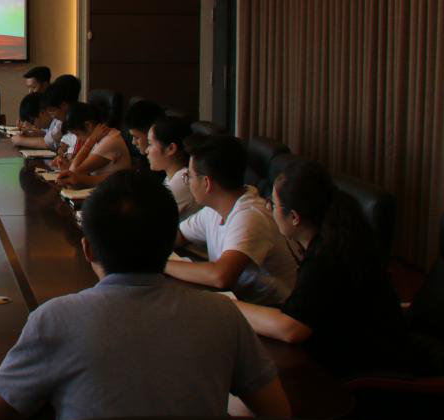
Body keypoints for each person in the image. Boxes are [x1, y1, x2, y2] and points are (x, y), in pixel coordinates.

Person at [0, 170, 290, 420]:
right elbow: (277, 414)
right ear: (169, 245)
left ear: (88, 250)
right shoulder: (223, 316)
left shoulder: (55, 318)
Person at [236, 159, 409, 375]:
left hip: (364, 374)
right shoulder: (339, 237)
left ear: (294, 217)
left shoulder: (325, 259)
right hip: (356, 350)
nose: (268, 208)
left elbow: (291, 328)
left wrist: (229, 306)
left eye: (272, 203)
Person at [166, 135, 298, 305]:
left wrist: (160, 263)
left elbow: (220, 276)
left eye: (189, 176)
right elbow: (179, 235)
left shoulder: (250, 216)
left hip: (276, 310)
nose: (188, 182)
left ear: (207, 183)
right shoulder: (214, 209)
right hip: (242, 303)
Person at [133, 114, 198, 219]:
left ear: (171, 148)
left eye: (150, 144)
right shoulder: (172, 177)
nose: (146, 150)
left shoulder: (182, 181)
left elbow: (147, 220)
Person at [56, 101, 131, 187]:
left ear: (88, 125)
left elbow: (74, 172)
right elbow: (75, 167)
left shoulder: (109, 140)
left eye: (77, 134)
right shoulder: (98, 138)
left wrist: (90, 141)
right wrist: (66, 164)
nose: (78, 139)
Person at [11, 74, 79, 150]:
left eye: (52, 111)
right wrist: (32, 134)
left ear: (64, 105)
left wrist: (20, 140)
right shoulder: (62, 117)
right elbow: (48, 134)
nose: (52, 115)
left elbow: (48, 143)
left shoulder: (66, 120)